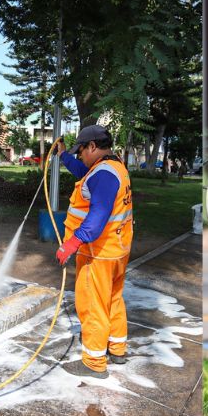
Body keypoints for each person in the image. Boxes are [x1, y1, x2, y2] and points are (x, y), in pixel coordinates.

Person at [54, 125, 135, 377]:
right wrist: (63, 155)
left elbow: (97, 217)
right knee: (112, 299)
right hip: (118, 249)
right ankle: (117, 347)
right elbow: (83, 173)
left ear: (92, 147)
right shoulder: (113, 166)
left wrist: (72, 244)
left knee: (92, 304)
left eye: (81, 151)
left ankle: (94, 361)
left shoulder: (103, 174)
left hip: (97, 253)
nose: (80, 157)